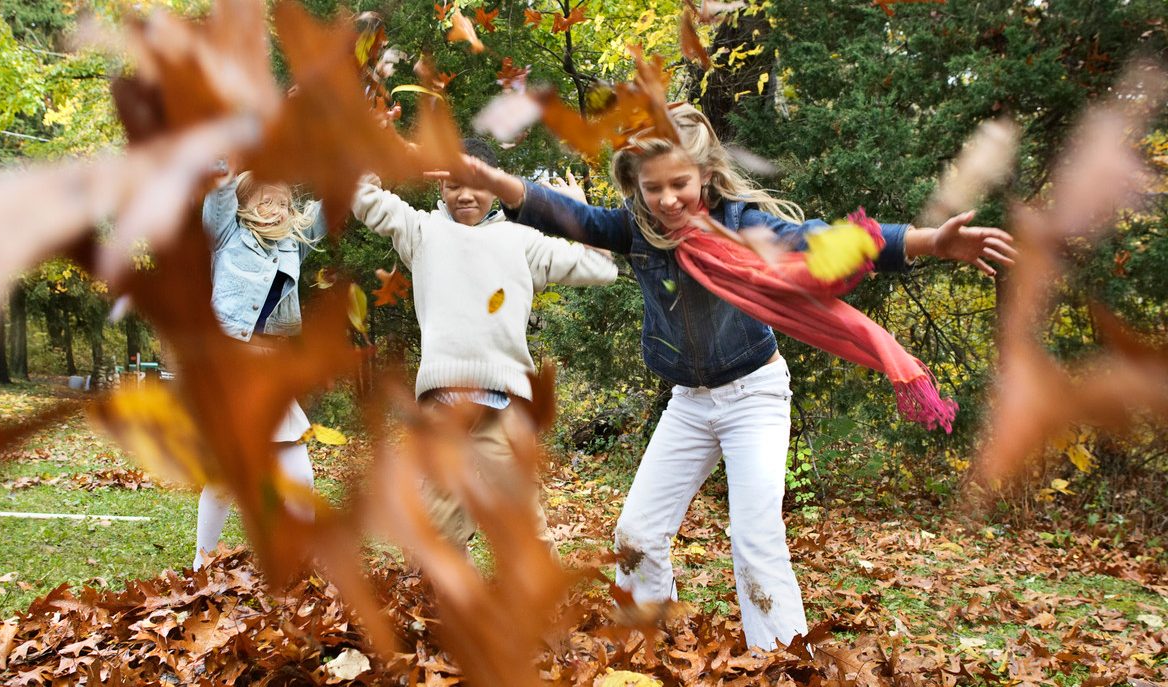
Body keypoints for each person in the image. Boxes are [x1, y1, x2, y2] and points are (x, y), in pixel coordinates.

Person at [435, 105, 1016, 649]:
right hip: (689, 402)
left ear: (706, 176)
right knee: (636, 533)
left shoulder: (744, 228)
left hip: (754, 395)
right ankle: (649, 645)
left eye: (679, 184)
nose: (666, 200)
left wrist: (927, 242)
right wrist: (493, 177)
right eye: (652, 187)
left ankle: (783, 658)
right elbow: (565, 215)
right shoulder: (634, 230)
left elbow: (827, 240)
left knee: (754, 536)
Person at [353, 138, 617, 551]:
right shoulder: (422, 231)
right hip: (443, 406)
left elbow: (601, 268)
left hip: (506, 403)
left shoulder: (520, 240)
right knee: (439, 534)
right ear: (440, 188)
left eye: (475, 184)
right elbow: (363, 197)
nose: (464, 195)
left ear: (494, 187)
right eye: (453, 185)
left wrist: (578, 213)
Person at [194, 165, 328, 570]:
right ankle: (202, 565)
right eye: (266, 201)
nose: (276, 210)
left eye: (284, 203)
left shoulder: (293, 244)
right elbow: (218, 187)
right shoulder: (224, 235)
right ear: (244, 203)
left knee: (300, 477)